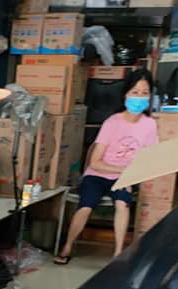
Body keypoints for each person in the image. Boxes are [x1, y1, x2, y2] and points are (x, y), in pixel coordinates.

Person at [55, 69, 158, 264]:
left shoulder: (150, 125)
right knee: (86, 205)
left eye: (144, 93)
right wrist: (123, 171)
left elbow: (148, 159)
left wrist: (130, 177)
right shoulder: (113, 122)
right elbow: (95, 162)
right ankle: (67, 246)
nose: (139, 97)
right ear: (125, 94)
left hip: (125, 178)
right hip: (98, 174)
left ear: (150, 96)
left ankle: (118, 254)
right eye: (135, 92)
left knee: (122, 204)